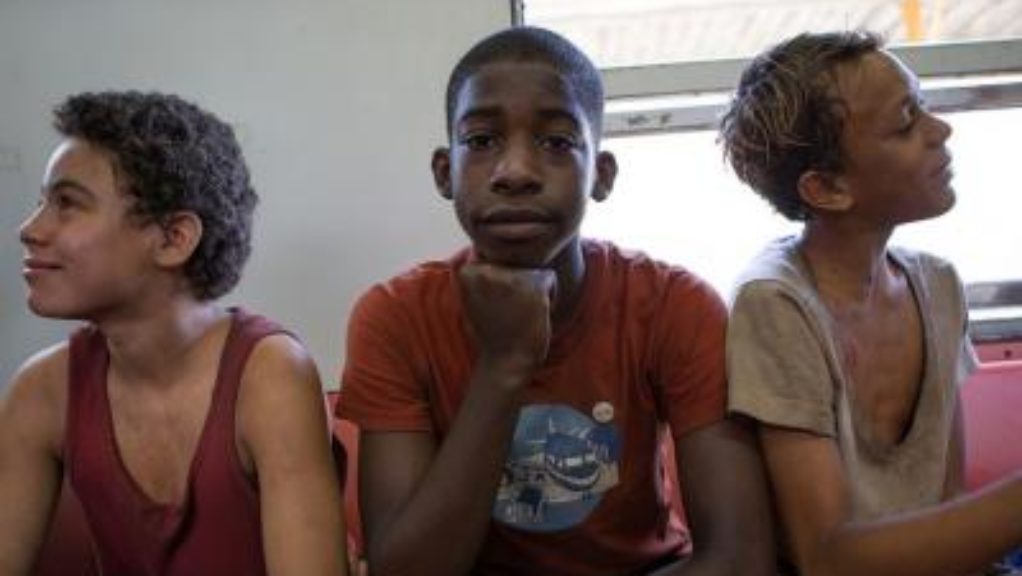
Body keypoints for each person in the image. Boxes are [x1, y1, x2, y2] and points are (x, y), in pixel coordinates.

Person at [337, 26, 773, 576]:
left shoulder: (674, 306)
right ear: (445, 173)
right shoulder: (395, 317)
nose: (516, 172)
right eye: (481, 141)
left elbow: (741, 559)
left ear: (601, 175)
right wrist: (504, 364)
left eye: (558, 142)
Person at [0, 91, 348, 575]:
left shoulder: (270, 376)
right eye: (41, 203)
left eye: (67, 204)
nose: (29, 229)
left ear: (173, 238)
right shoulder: (42, 390)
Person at [720, 30, 1022, 576]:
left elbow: (948, 505)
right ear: (828, 189)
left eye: (923, 106)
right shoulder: (776, 305)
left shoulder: (939, 285)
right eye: (906, 122)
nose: (941, 130)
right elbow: (828, 558)